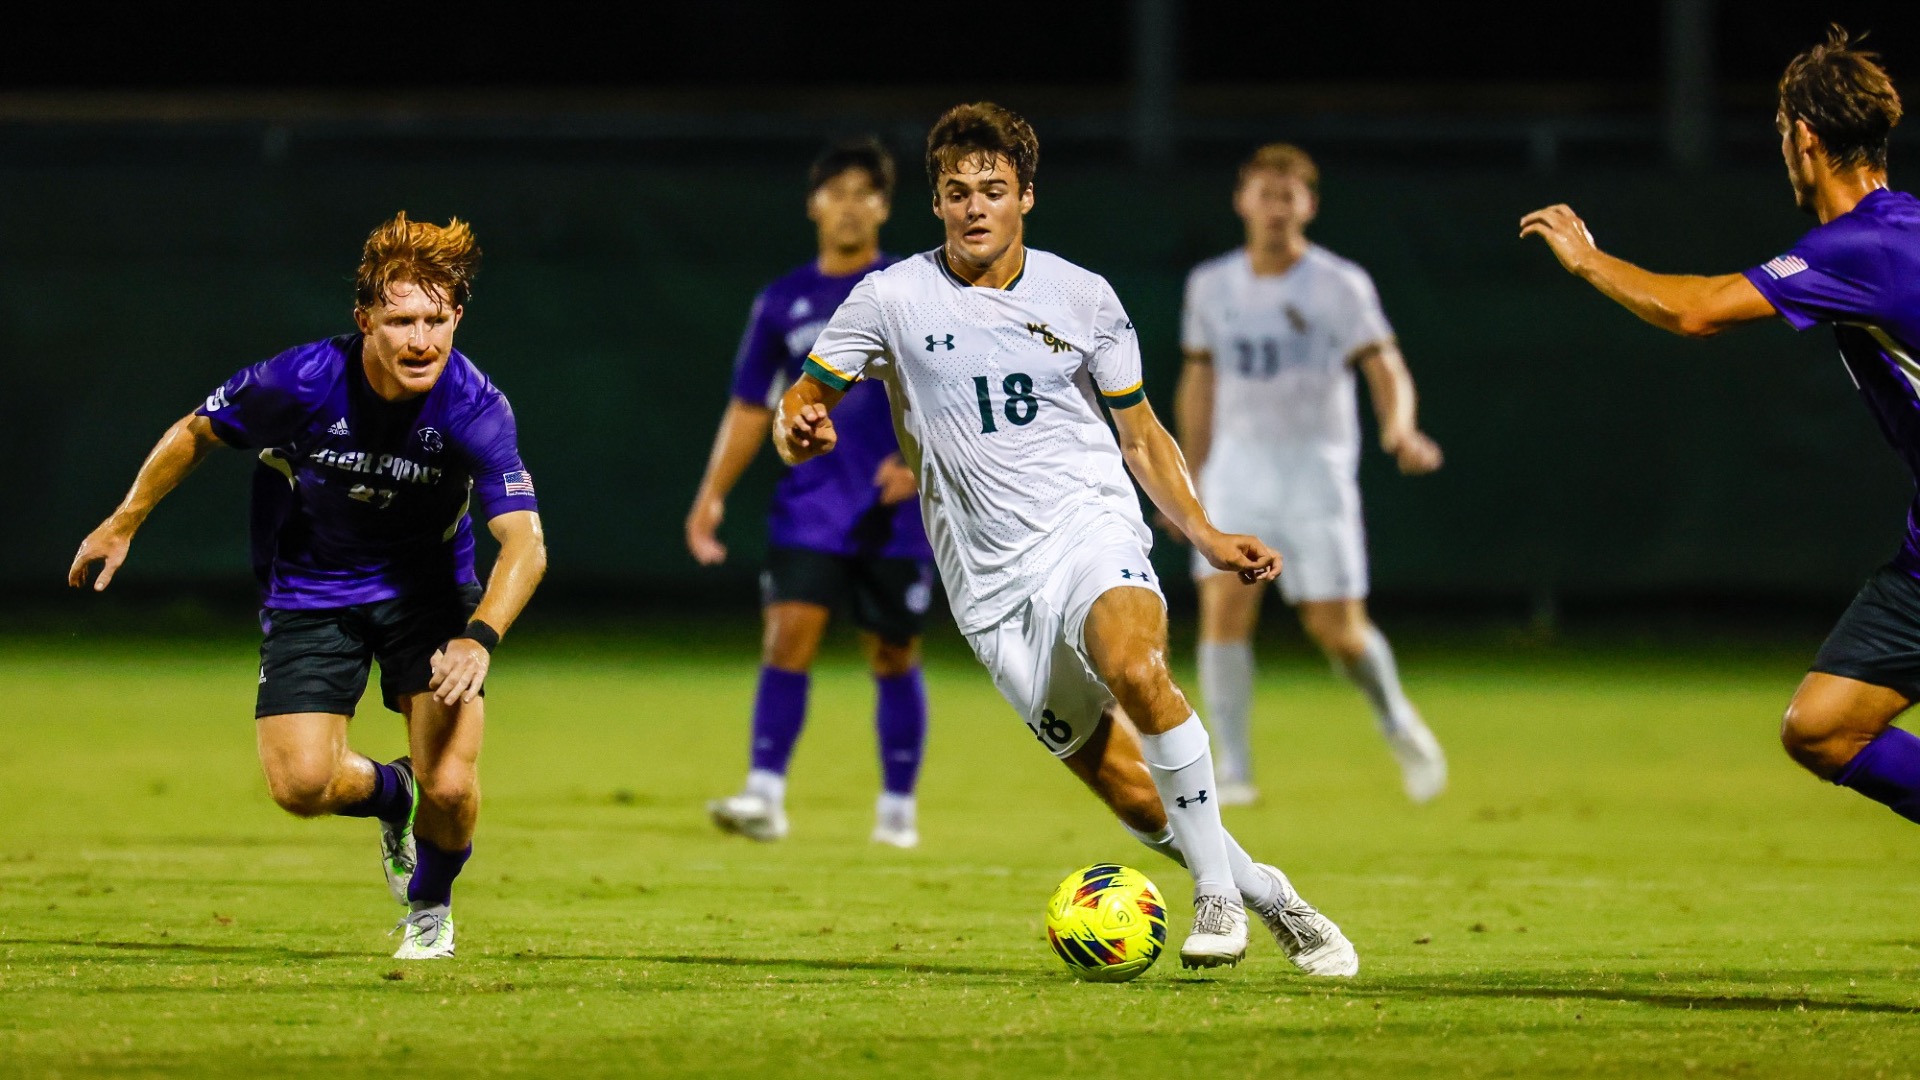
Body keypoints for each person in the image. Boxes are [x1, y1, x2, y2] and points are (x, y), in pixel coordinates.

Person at [777, 101, 1358, 974]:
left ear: (1027, 198)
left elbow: (1141, 435)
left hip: (1089, 526)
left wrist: (1199, 531)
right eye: (957, 192)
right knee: (1127, 788)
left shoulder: (1081, 296)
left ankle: (1215, 898)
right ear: (936, 203)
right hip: (985, 581)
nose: (975, 207)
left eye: (994, 190)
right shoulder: (890, 298)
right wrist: (800, 429)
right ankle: (1270, 893)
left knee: (1135, 665)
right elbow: (803, 403)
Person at [68, 213, 547, 960]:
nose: (421, 339)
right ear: (366, 322)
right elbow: (198, 430)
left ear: (457, 317)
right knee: (301, 785)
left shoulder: (475, 406)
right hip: (312, 590)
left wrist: (479, 636)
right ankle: (394, 795)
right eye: (400, 321)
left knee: (450, 787)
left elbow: (524, 542)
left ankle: (429, 907)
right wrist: (125, 520)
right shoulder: (302, 380)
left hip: (429, 599)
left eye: (436, 319)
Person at [1521, 26, 1920, 828]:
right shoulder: (1899, 229)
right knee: (1824, 727)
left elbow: (1695, 310)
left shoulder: (1865, 246)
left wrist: (1588, 260)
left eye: (1781, 132)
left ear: (1804, 137)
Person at [1174, 143, 1447, 806]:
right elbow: (1199, 381)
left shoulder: (1338, 284)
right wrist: (1187, 479)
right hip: (1238, 470)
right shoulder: (1211, 286)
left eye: (1287, 195)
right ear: (1242, 201)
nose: (1274, 208)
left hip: (1315, 473)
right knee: (1223, 609)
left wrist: (1400, 428)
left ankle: (1396, 719)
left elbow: (1385, 366)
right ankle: (1231, 771)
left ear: (1309, 205)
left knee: (1337, 630)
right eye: (1263, 194)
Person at [687, 139, 935, 848]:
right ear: (814, 204)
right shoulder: (784, 301)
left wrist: (924, 462)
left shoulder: (909, 290)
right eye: (838, 192)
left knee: (892, 652)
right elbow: (749, 406)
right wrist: (711, 496)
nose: (851, 206)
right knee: (787, 635)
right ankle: (764, 794)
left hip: (896, 508)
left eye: (866, 192)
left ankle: (896, 810)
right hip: (813, 502)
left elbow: (948, 389)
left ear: (885, 207)